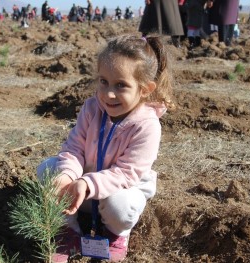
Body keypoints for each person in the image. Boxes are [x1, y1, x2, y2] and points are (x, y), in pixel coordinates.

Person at [37, 34, 174, 263]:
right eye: (103, 81)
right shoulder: (92, 108)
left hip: (115, 197)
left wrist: (87, 184)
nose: (109, 94)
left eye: (121, 85)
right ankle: (68, 231)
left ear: (145, 89)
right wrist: (66, 176)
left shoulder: (148, 126)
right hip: (82, 195)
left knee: (120, 205)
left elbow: (127, 174)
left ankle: (115, 235)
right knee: (48, 169)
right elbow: (74, 148)